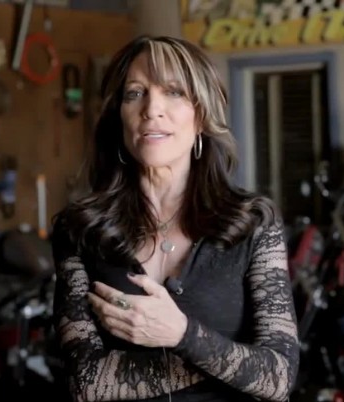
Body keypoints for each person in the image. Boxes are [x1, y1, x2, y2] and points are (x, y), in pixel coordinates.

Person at [50, 35, 300, 402]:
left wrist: (182, 334)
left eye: (174, 92)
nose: (152, 109)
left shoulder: (254, 222)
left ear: (202, 115)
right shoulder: (79, 229)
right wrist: (223, 362)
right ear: (119, 115)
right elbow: (85, 381)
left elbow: (278, 376)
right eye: (135, 93)